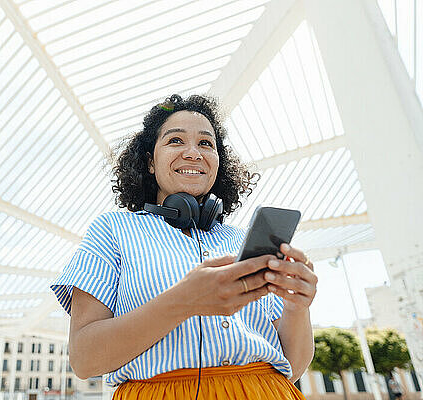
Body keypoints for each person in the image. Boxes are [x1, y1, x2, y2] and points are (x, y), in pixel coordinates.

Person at [51, 94, 318, 399]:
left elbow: (292, 368)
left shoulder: (242, 240)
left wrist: (297, 308)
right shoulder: (112, 230)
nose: (193, 153)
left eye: (206, 143)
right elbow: (85, 360)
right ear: (150, 161)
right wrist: (184, 301)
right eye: (175, 140)